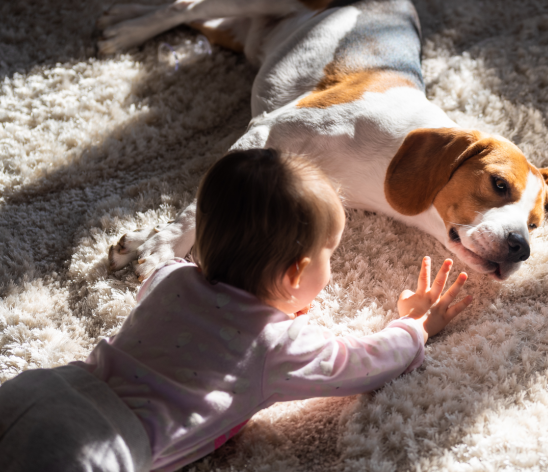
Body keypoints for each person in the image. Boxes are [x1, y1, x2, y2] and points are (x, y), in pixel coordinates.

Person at [0, 149, 472, 472]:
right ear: (295, 275)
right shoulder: (278, 345)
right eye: (330, 254)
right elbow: (364, 362)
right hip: (100, 445)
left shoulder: (168, 277)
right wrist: (416, 325)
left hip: (42, 388)